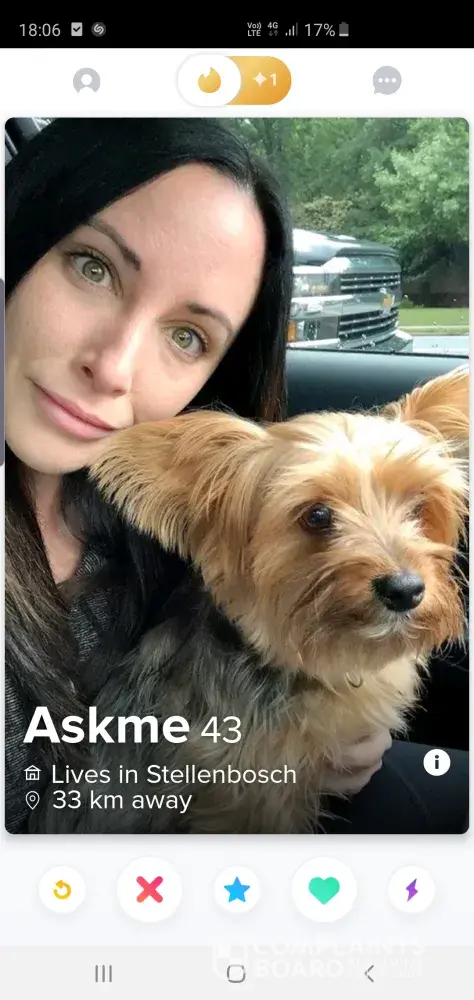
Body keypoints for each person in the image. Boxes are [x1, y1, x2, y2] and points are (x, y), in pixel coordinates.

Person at [5, 118, 468, 835]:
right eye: (93, 267)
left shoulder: (129, 526)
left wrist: (336, 733)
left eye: (187, 336)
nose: (114, 367)